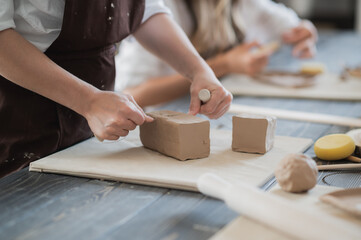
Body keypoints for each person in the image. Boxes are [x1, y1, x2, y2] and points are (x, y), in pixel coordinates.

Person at [0, 0, 232, 177]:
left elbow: (144, 10)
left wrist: (199, 70)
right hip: (18, 118)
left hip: (92, 123)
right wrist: (88, 101)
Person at [115, 0, 317, 107]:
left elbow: (294, 27)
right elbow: (132, 95)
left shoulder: (241, 3)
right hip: (163, 122)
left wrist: (307, 32)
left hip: (217, 112)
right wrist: (225, 64)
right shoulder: (160, 9)